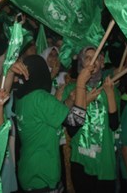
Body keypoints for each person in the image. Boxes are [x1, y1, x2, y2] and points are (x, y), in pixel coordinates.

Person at [15, 54, 91, 192]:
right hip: (42, 174)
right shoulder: (40, 97)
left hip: (30, 171)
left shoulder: (23, 97)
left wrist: (68, 102)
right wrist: (80, 84)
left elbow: (47, 117)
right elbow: (76, 121)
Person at [61, 46, 119, 192]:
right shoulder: (71, 90)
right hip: (81, 160)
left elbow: (114, 125)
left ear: (102, 63)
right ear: (81, 62)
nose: (93, 61)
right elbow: (71, 129)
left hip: (104, 162)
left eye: (97, 58)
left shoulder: (110, 89)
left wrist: (110, 94)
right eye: (88, 58)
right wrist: (83, 100)